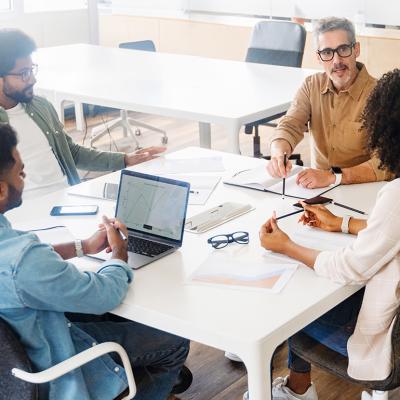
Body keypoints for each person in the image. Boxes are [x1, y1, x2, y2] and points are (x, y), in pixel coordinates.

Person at [0, 123, 190, 399]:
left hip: (16, 357)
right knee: (174, 340)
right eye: (20, 171)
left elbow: (21, 266)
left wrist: (84, 246)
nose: (24, 174)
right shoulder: (24, 261)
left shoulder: (15, 251)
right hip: (53, 360)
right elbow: (104, 295)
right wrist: (119, 256)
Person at [246, 69, 400, 399]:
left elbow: (351, 267)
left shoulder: (396, 195)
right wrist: (340, 223)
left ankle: (295, 388)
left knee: (292, 306)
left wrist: (287, 246)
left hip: (388, 344)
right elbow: (392, 233)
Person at [0, 28, 165, 200]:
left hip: (68, 196)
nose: (33, 79)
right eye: (24, 74)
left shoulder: (40, 106)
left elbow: (72, 153)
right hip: (23, 212)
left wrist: (125, 159)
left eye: (32, 70)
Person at [267, 17, 393, 189]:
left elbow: (386, 163)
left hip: (364, 189)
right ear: (318, 58)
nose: (336, 61)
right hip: (318, 190)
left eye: (343, 49)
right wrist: (278, 154)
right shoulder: (312, 86)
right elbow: (290, 125)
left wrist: (334, 177)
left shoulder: (380, 95)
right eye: (327, 52)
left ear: (356, 49)